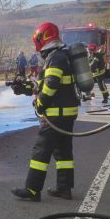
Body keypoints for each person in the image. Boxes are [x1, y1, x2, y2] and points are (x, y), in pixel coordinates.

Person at [12, 22, 79, 201]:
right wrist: (27, 88)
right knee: (63, 152)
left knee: (41, 151)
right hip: (66, 114)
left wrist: (40, 104)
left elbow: (51, 85)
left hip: (56, 115)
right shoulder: (61, 55)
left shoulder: (55, 57)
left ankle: (32, 190)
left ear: (43, 40)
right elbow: (44, 84)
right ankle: (64, 189)